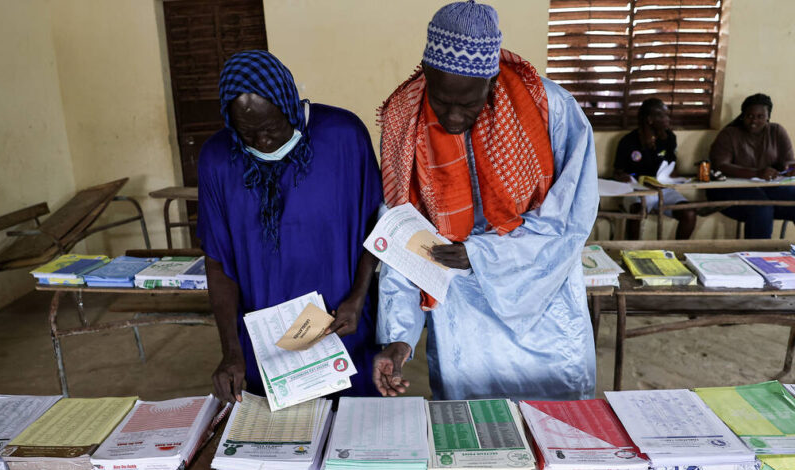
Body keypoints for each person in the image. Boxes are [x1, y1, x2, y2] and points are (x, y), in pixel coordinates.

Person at [372, 0, 598, 401]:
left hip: (541, 302)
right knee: (476, 432)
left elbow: (569, 222)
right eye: (442, 103)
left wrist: (481, 253)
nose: (454, 119)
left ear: (492, 82)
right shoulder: (405, 120)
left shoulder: (551, 110)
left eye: (468, 104)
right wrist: (399, 337)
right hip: (460, 310)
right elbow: (402, 233)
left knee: (554, 426)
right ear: (426, 75)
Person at [197, 50, 383, 402]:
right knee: (280, 444)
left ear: (290, 106)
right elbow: (218, 262)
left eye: (271, 128)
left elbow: (376, 226)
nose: (263, 142)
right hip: (265, 345)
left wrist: (358, 298)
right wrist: (231, 351)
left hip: (343, 327)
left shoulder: (343, 137)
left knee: (354, 437)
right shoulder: (218, 159)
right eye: (248, 134)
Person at [708, 93, 795, 239]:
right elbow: (720, 166)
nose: (754, 121)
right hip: (730, 190)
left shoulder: (777, 131)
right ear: (743, 115)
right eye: (749, 116)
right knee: (761, 208)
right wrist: (756, 173)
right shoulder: (729, 134)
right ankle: (758, 257)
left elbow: (788, 162)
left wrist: (790, 169)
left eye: (760, 116)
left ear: (768, 117)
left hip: (769, 188)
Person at [613, 98, 697, 239]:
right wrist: (628, 178)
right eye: (663, 116)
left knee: (689, 213)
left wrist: (674, 177)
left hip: (663, 190)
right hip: (637, 191)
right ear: (650, 119)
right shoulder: (628, 141)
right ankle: (631, 254)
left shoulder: (669, 138)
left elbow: (672, 166)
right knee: (636, 212)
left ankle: (677, 254)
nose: (667, 119)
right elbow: (617, 172)